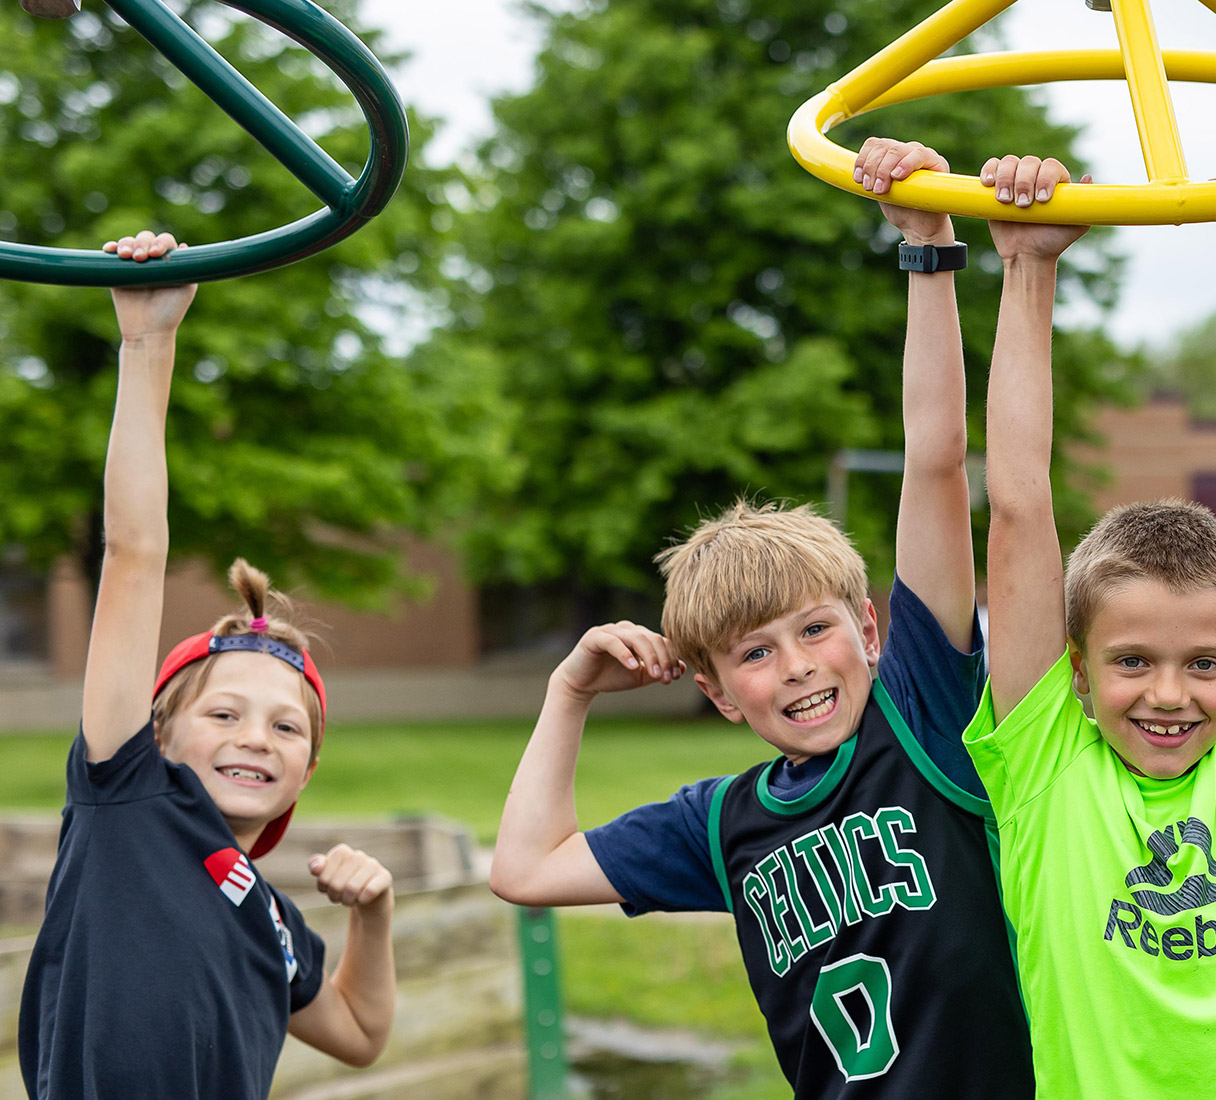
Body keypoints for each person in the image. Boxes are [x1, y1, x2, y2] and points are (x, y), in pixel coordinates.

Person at [489, 140, 1033, 1099]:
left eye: (815, 630)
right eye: (754, 652)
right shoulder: (721, 824)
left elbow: (937, 460)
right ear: (717, 692)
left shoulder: (923, 712)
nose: (794, 667)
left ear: (870, 628)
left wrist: (930, 249)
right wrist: (567, 690)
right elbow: (527, 869)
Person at [964, 146, 1216, 1099]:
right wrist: (1027, 267)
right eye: (1132, 660)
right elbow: (1017, 506)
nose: (1170, 694)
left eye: (1205, 664)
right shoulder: (1046, 766)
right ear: (1074, 669)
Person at [20, 234, 398, 1100]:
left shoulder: (267, 914)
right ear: (160, 733)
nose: (256, 738)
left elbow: (363, 1034)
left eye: (285, 725)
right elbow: (135, 552)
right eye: (224, 714)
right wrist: (150, 342)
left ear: (307, 765)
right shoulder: (130, 800)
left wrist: (373, 915)